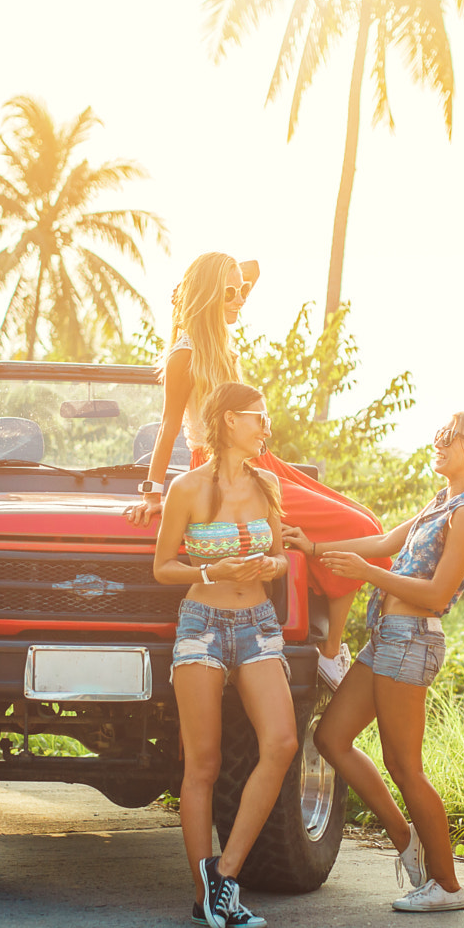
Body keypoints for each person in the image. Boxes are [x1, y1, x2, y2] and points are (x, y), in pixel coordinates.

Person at [126, 252, 386, 689]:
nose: (240, 299)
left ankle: (329, 648)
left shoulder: (221, 342)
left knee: (370, 527)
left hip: (259, 463)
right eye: (230, 293)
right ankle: (327, 654)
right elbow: (169, 427)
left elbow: (253, 267)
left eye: (241, 291)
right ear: (208, 295)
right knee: (357, 526)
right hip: (216, 465)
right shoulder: (184, 355)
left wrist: (231, 275)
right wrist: (153, 493)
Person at [294, 411, 464, 913]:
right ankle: (406, 841)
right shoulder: (442, 503)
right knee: (330, 738)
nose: (441, 442)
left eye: (451, 437)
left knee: (406, 767)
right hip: (388, 636)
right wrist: (316, 546)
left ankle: (447, 886)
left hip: (412, 639)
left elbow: (435, 594)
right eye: (441, 434)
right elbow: (388, 542)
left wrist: (369, 574)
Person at [152, 380, 301, 928]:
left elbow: (282, 556)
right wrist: (214, 571)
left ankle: (226, 872)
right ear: (228, 422)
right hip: (203, 624)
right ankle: (204, 895)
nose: (266, 426)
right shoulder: (188, 489)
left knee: (282, 742)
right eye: (257, 417)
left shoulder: (267, 484)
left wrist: (269, 569)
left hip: (258, 624)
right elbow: (164, 567)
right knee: (205, 763)